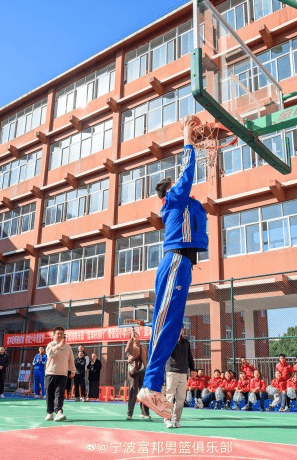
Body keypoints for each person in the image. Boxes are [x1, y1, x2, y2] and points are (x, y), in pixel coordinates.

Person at [136, 116, 208, 419]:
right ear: (169, 192)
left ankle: (151, 386)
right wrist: (188, 139)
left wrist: (209, 139)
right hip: (176, 261)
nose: (181, 186)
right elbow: (187, 173)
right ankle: (150, 385)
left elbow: (198, 203)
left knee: (171, 325)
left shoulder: (188, 205)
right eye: (175, 185)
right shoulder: (174, 200)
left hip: (184, 264)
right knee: (164, 323)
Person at [163, 328, 194, 428]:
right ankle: (167, 419)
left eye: (181, 329)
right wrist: (173, 339)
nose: (180, 331)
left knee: (181, 398)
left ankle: (176, 420)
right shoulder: (169, 340)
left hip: (183, 372)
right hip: (172, 371)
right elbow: (165, 353)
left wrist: (192, 369)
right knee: (170, 396)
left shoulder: (186, 342)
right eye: (178, 328)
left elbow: (189, 356)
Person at [44, 327, 76, 422]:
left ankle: (58, 412)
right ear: (53, 335)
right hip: (50, 373)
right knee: (49, 394)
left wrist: (73, 370)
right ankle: (50, 413)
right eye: (58, 333)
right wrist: (59, 346)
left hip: (62, 374)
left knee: (60, 394)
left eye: (62, 334)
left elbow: (71, 360)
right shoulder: (51, 345)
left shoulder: (68, 347)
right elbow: (49, 354)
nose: (60, 335)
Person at [126, 328, 151, 420]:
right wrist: (131, 339)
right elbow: (127, 350)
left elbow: (145, 359)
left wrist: (147, 369)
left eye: (137, 334)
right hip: (133, 372)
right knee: (133, 392)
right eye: (134, 335)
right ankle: (130, 413)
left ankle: (145, 412)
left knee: (144, 392)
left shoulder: (142, 346)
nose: (136, 335)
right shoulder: (130, 346)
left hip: (142, 371)